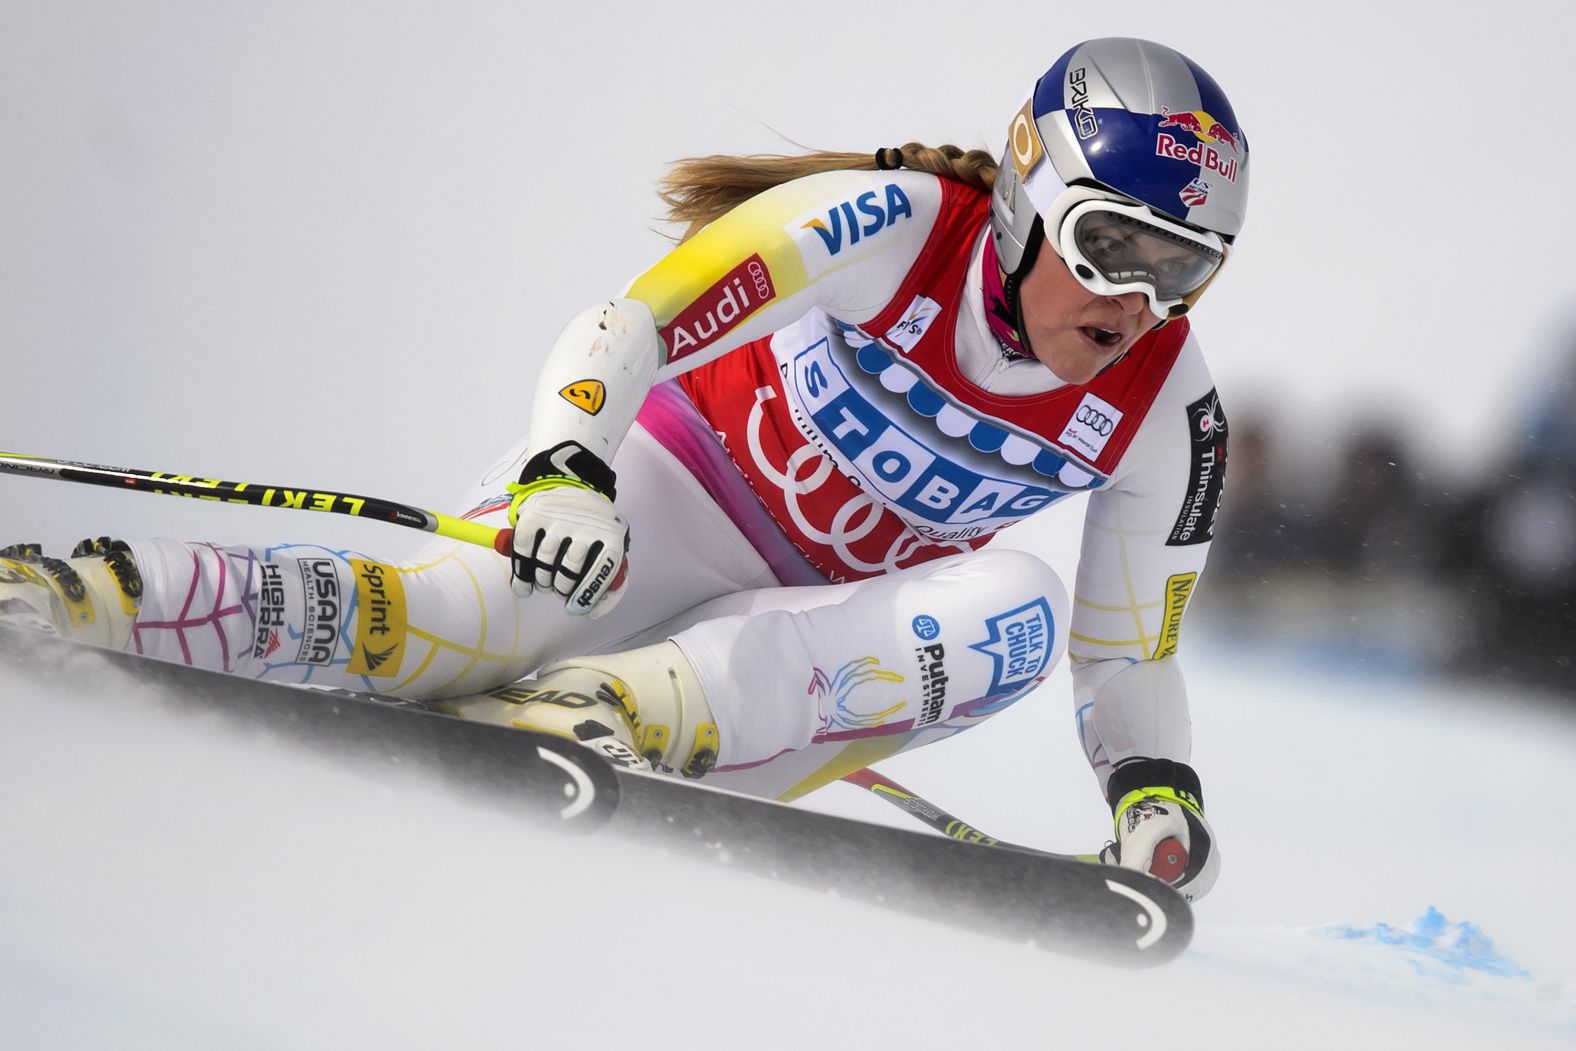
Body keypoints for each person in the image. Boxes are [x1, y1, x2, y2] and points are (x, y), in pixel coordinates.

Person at [0, 37, 1246, 901]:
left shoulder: (1168, 411)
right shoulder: (899, 224)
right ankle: (91, 592)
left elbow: (1128, 653)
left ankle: (607, 716)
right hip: (654, 505)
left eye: (1182, 268)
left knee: (1018, 606)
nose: (1138, 300)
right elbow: (631, 324)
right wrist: (565, 469)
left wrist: (1155, 796)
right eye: (1111, 245)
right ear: (1030, 196)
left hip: (788, 646)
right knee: (460, 619)